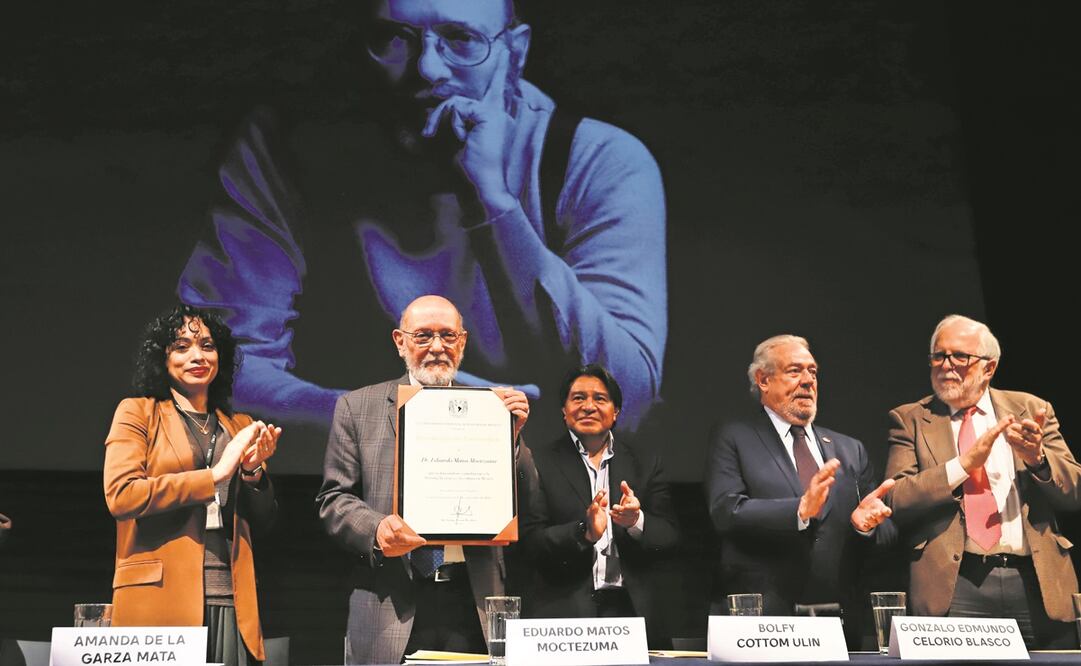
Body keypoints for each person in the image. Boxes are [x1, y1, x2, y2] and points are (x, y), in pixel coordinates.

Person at [176, 0, 667, 443]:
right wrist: (393, 416)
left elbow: (630, 398)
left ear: (514, 53)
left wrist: (493, 203)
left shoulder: (598, 159)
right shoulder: (286, 146)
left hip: (540, 491)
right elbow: (213, 365)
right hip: (349, 483)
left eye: (462, 39)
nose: (428, 68)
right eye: (395, 38)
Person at [316, 294, 531, 664]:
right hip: (391, 598)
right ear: (400, 342)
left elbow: (529, 500)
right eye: (423, 336)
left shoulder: (490, 410)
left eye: (447, 335)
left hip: (472, 599)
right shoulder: (357, 407)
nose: (436, 346)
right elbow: (334, 499)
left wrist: (510, 440)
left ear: (462, 342)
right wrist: (377, 528)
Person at [884, 314, 1081, 648]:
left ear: (989, 368)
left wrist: (1038, 460)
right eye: (939, 355)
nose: (946, 365)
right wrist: (961, 466)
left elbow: (1074, 492)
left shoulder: (1031, 408)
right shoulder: (911, 419)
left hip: (1035, 581)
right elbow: (895, 498)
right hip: (957, 584)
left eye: (960, 356)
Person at [103, 305, 280, 665]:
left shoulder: (239, 424)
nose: (197, 356)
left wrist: (251, 473)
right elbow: (121, 496)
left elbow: (263, 523)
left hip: (230, 597)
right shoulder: (138, 412)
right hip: (157, 598)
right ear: (163, 358)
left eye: (207, 346)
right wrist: (214, 476)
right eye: (181, 347)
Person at [707, 335, 895, 646]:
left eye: (813, 372)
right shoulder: (735, 437)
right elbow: (726, 511)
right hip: (765, 623)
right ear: (763, 380)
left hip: (838, 624)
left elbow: (885, 534)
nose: (808, 381)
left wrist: (864, 526)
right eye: (795, 371)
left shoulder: (850, 449)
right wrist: (798, 510)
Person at [520, 364, 677, 644]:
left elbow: (669, 535)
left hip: (633, 613)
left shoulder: (644, 461)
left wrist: (636, 522)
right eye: (578, 398)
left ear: (616, 412)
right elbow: (530, 541)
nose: (588, 406)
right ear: (564, 410)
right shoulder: (538, 461)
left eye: (600, 399)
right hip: (563, 616)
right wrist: (584, 531)